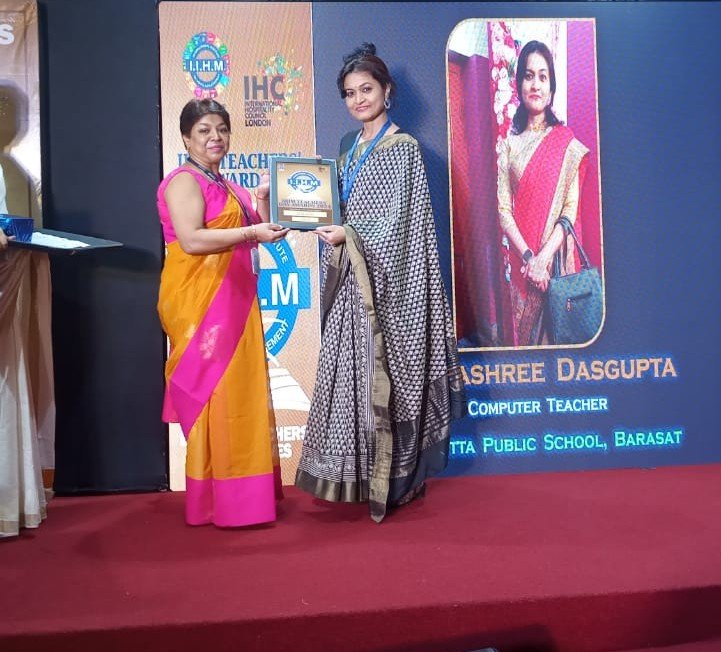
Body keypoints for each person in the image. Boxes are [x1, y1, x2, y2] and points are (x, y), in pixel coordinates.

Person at [295, 43, 465, 523]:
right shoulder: (349, 147)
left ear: (387, 91)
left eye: (366, 89)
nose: (358, 100)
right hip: (351, 281)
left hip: (391, 287)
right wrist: (302, 208)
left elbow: (397, 225)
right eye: (350, 93)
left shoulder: (403, 148)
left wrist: (346, 233)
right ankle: (354, 477)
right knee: (351, 378)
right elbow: (336, 204)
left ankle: (393, 482)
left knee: (389, 378)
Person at [157, 98, 289, 527]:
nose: (215, 137)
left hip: (237, 302)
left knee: (241, 395)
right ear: (186, 138)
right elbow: (193, 240)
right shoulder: (184, 182)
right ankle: (216, 502)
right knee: (217, 396)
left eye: (222, 129)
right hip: (201, 307)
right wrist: (251, 230)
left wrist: (263, 201)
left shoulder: (228, 185)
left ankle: (247, 498)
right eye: (204, 131)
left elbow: (259, 233)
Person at [497, 40, 590, 346]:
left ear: (551, 87)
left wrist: (543, 260)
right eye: (528, 76)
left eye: (542, 76)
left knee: (561, 345)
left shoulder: (566, 143)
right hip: (524, 265)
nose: (535, 84)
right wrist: (529, 258)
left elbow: (569, 210)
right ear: (519, 84)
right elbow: (503, 210)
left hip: (556, 265)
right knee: (529, 350)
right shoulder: (509, 146)